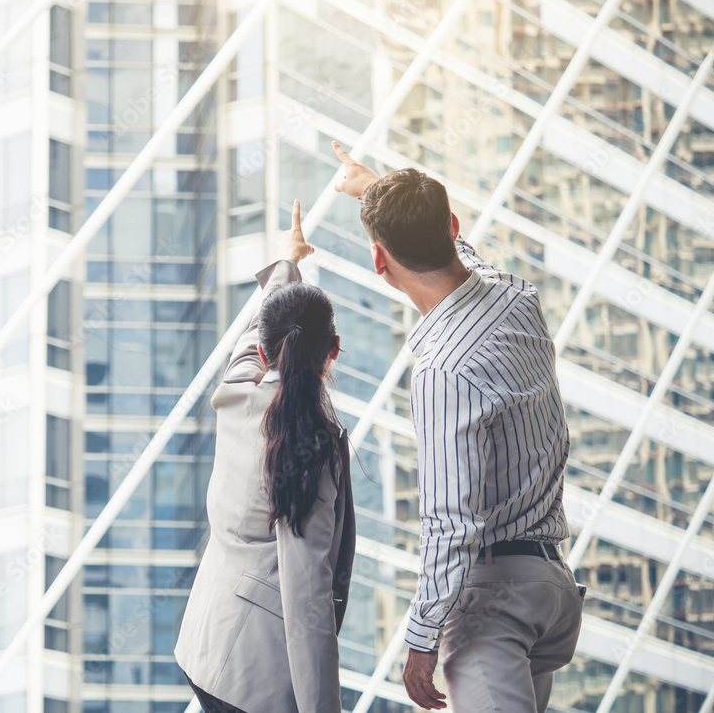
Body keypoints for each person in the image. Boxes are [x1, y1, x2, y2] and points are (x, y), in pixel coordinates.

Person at [332, 140, 583, 712]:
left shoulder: (443, 370)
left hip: (495, 603)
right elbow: (461, 257)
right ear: (453, 223)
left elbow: (452, 520)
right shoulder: (517, 297)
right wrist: (374, 189)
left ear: (378, 261)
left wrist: (421, 639)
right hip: (550, 591)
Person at [175, 201, 356, 713]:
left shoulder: (233, 390)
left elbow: (263, 322)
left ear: (260, 352)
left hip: (206, 644)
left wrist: (286, 260)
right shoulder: (314, 447)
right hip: (258, 678)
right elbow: (307, 599)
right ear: (334, 350)